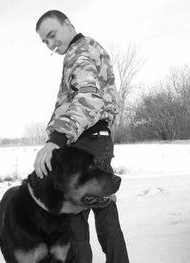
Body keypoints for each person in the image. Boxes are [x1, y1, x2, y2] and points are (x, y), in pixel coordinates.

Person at [33, 10, 129, 263]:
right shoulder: (90, 48)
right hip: (97, 140)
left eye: (52, 35)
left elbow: (89, 98)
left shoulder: (80, 52)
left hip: (84, 144)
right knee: (106, 215)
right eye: (45, 42)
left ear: (68, 24)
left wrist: (57, 139)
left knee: (74, 223)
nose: (51, 44)